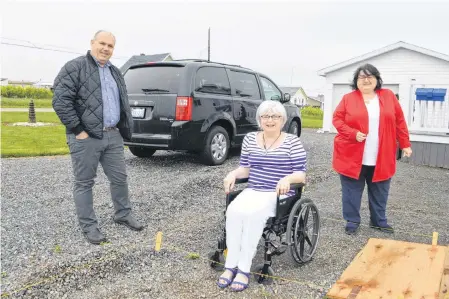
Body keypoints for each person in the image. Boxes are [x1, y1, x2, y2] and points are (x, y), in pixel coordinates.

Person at [52, 30, 144, 245]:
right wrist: (78, 130)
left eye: (110, 46)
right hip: (86, 137)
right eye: (102, 43)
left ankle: (123, 213)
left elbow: (121, 102)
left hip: (113, 135)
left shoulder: (114, 72)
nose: (105, 49)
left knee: (120, 178)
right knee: (84, 183)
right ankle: (89, 226)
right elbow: (60, 101)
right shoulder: (74, 67)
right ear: (92, 43)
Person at [218, 100, 307, 292]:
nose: (270, 120)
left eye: (275, 116)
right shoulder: (250, 139)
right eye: (265, 116)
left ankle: (243, 269)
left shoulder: (293, 142)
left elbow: (301, 175)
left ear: (282, 120)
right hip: (254, 189)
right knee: (233, 211)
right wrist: (233, 174)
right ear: (259, 119)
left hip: (278, 193)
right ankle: (230, 265)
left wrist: (288, 179)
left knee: (252, 216)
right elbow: (245, 169)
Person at [332, 63, 412, 235]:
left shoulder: (388, 96)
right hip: (351, 155)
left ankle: (378, 221)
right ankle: (352, 220)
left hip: (381, 155)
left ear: (377, 79)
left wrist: (405, 143)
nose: (366, 80)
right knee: (351, 191)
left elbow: (400, 121)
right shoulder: (348, 98)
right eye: (362, 77)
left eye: (370, 76)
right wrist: (352, 133)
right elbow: (337, 120)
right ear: (356, 81)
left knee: (380, 190)